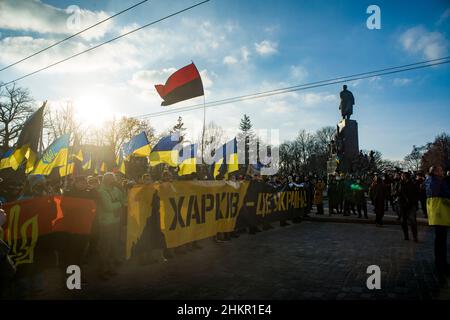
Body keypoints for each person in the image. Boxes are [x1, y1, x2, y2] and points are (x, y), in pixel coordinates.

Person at [96, 172, 126, 280]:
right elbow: (108, 207)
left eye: (113, 179)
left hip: (116, 221)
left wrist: (121, 197)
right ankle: (102, 270)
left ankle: (110, 268)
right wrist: (119, 204)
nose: (113, 181)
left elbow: (124, 200)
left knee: (113, 247)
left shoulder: (116, 189)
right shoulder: (101, 191)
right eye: (111, 179)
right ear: (106, 180)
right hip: (106, 223)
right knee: (105, 248)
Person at [425, 166, 450, 281]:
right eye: (440, 170)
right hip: (441, 212)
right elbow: (439, 194)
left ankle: (440, 263)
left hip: (437, 213)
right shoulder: (437, 181)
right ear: (435, 172)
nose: (442, 171)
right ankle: (441, 265)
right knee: (441, 241)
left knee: (440, 240)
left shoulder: (430, 180)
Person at [398, 172, 419, 242]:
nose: (401, 177)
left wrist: (414, 202)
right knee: (403, 221)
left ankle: (415, 237)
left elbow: (416, 193)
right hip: (403, 204)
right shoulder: (400, 183)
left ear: (406, 177)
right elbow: (398, 192)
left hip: (411, 204)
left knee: (413, 221)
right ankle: (406, 235)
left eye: (402, 176)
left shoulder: (413, 183)